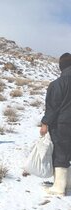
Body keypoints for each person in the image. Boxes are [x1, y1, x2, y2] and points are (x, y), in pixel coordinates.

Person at [40, 52, 71, 196]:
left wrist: (45, 123)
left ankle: (59, 188)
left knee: (60, 153)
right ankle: (68, 184)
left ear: (61, 66)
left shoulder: (58, 84)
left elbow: (53, 106)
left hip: (62, 124)